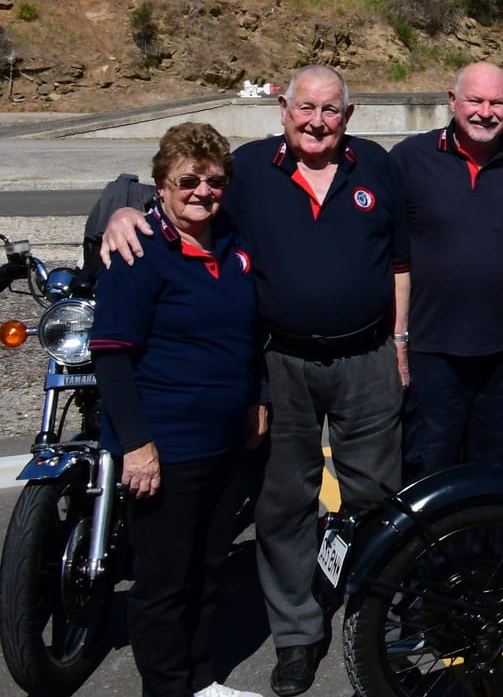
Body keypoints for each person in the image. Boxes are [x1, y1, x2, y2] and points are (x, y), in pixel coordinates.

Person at [102, 65, 408, 697]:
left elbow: (401, 261)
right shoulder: (246, 170)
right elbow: (182, 199)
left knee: (375, 499)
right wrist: (121, 214)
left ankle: (375, 619)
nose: (316, 121)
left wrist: (401, 343)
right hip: (282, 361)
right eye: (305, 109)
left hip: (368, 357)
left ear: (347, 117)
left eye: (330, 110)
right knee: (284, 503)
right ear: (283, 112)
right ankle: (298, 635)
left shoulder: (377, 166)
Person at [89, 123, 264, 697]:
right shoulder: (138, 250)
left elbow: (248, 333)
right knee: (163, 582)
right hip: (167, 445)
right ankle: (166, 687)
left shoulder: (233, 244)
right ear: (162, 185)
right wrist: (136, 445)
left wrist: (254, 399)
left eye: (214, 181)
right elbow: (112, 356)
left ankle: (199, 679)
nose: (201, 191)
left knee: (208, 568)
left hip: (223, 440)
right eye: (187, 180)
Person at [390, 62, 503, 475]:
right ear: (452, 101)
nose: (485, 111)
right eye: (474, 101)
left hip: (502, 354)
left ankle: (495, 544)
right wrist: (396, 339)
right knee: (429, 470)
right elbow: (381, 251)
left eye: (496, 102)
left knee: (496, 473)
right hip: (430, 352)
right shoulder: (409, 160)